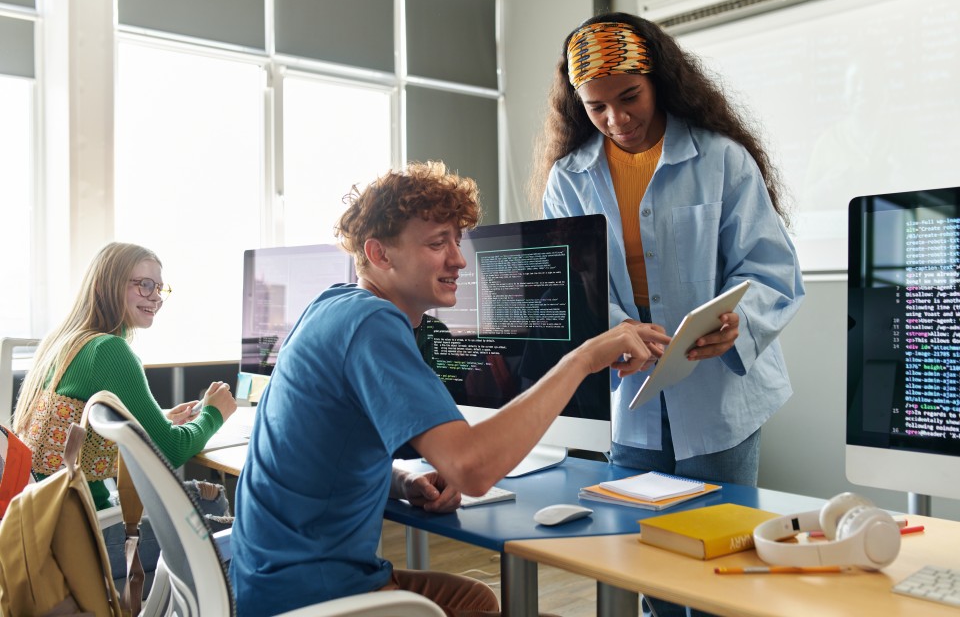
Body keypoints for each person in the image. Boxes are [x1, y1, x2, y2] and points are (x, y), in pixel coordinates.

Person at [229, 161, 670, 617]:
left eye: (457, 241)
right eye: (438, 243)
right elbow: (472, 471)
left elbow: (324, 453)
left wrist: (402, 481)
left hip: (273, 579)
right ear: (380, 254)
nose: (459, 259)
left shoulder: (333, 305)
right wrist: (583, 359)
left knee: (474, 600)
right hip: (315, 596)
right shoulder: (372, 324)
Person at [529, 12, 805, 616]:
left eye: (629, 97)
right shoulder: (569, 178)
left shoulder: (722, 159)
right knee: (646, 561)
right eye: (596, 106)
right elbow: (573, 285)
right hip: (630, 393)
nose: (616, 118)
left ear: (658, 78)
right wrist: (616, 329)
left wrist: (738, 320)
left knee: (718, 562)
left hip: (720, 392)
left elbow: (770, 269)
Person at [12, 242, 238, 589]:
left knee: (201, 499)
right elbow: (173, 451)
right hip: (88, 536)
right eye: (144, 284)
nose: (156, 297)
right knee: (216, 506)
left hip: (47, 527)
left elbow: (79, 417)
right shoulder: (109, 349)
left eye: (159, 287)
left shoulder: (64, 341)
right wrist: (213, 414)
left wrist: (157, 418)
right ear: (106, 286)